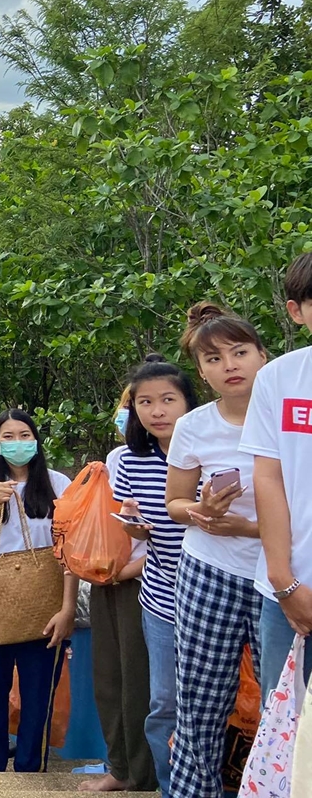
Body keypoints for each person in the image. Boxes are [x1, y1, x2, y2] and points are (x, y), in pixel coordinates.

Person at [160, 303, 267, 798]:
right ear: (201, 372)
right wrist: (200, 513)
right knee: (200, 703)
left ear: (264, 356)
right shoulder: (194, 426)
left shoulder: (293, 417)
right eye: (214, 359)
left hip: (279, 571)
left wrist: (245, 526)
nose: (230, 365)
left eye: (240, 352)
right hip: (208, 571)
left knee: (285, 701)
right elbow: (175, 503)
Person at [0, 409, 76, 774]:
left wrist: (68, 606)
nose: (17, 443)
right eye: (8, 437)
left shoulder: (59, 483)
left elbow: (71, 549)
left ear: (37, 440)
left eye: (25, 435)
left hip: (45, 594)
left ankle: (30, 766)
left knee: (39, 691)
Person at [112, 356, 197, 796]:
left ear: (188, 402)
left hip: (218, 588)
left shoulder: (210, 447)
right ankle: (171, 787)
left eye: (168, 400)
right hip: (161, 593)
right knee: (163, 702)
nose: (157, 410)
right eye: (145, 402)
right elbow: (126, 517)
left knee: (212, 701)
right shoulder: (129, 459)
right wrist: (132, 526)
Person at [246, 251, 312, 697]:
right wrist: (283, 581)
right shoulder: (279, 379)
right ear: (297, 310)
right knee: (284, 736)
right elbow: (268, 478)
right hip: (289, 593)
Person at [81, 391, 155, 794]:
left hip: (147, 580)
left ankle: (144, 773)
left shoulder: (186, 450)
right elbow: (112, 522)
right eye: (133, 403)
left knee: (139, 680)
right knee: (109, 676)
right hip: (109, 577)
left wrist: (130, 569)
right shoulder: (117, 458)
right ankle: (121, 766)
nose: (137, 412)